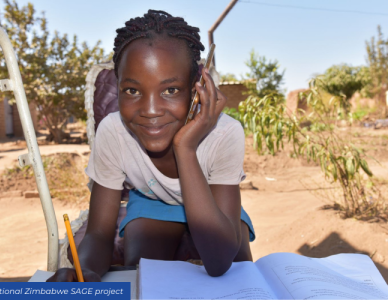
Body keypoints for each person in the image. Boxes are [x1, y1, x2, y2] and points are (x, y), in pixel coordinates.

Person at [48, 9, 255, 282]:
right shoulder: (113, 131)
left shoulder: (225, 133)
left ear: (197, 89)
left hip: (211, 203)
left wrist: (186, 149)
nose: (151, 110)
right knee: (141, 272)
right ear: (118, 86)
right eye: (133, 91)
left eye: (170, 90)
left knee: (239, 273)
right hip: (152, 202)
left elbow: (218, 263)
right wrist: (85, 272)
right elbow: (99, 232)